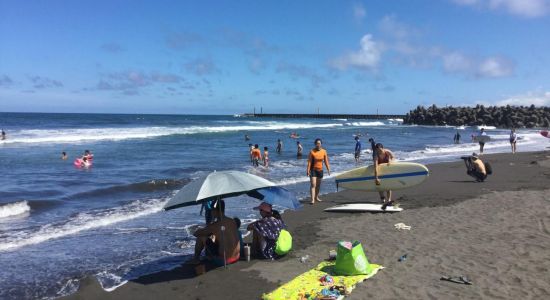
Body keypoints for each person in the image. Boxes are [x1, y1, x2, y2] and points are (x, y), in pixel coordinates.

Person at [192, 200, 240, 266]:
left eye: (212, 210)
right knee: (212, 236)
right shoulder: (232, 221)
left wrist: (204, 229)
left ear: (215, 210)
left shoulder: (214, 226)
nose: (211, 212)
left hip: (224, 261)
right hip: (236, 257)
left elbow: (196, 234)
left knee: (201, 237)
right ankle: (208, 255)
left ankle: (195, 260)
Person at [307, 138, 330, 205]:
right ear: (315, 144)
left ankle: (316, 197)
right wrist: (308, 170)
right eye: (317, 143)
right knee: (313, 184)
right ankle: (312, 200)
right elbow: (309, 162)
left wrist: (328, 169)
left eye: (319, 143)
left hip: (320, 170)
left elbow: (326, 161)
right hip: (313, 170)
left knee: (318, 185)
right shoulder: (312, 152)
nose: (318, 145)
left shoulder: (324, 151)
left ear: (321, 144)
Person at [373, 143, 395, 210]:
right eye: (377, 151)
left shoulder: (387, 152)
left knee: (388, 185)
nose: (379, 152)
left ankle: (389, 200)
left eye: (380, 150)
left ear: (383, 148)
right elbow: (376, 166)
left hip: (387, 169)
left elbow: (393, 157)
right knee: (379, 185)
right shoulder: (376, 155)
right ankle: (382, 198)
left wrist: (390, 161)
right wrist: (376, 177)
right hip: (380, 169)